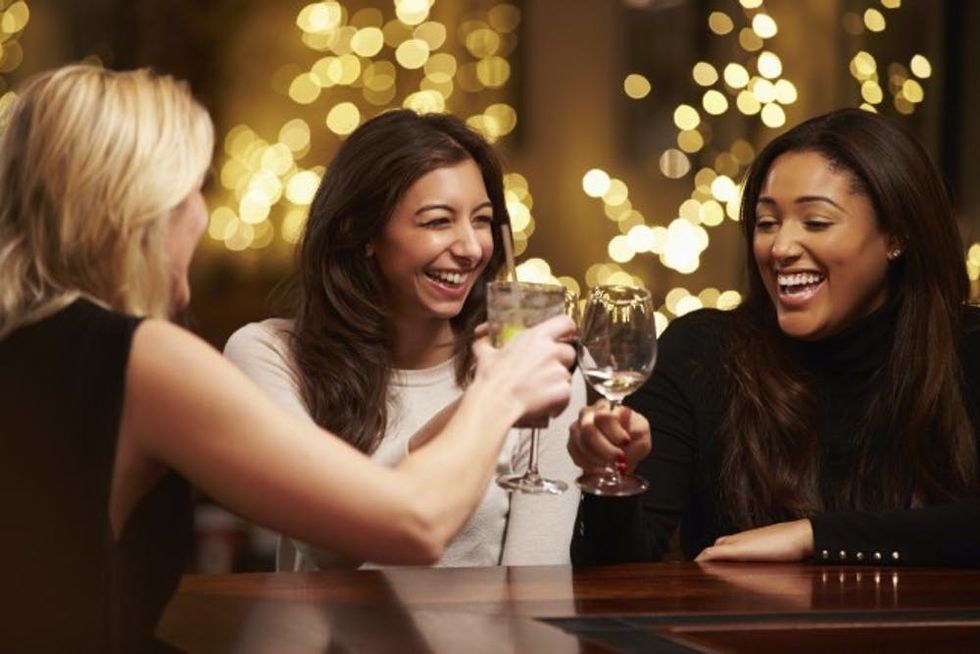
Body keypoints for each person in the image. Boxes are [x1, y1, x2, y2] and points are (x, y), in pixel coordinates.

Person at [0, 65, 576, 651]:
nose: (201, 215)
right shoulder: (141, 357)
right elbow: (412, 524)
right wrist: (501, 388)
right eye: (192, 190)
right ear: (134, 209)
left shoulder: (27, 343)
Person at [568, 108, 980, 568]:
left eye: (816, 222)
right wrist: (609, 477)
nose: (780, 248)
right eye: (766, 223)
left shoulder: (967, 348)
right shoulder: (702, 352)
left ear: (897, 234)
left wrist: (814, 537)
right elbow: (612, 579)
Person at [224, 109, 586, 570]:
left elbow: (536, 582)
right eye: (438, 222)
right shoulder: (270, 354)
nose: (471, 248)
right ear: (359, 231)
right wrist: (483, 408)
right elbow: (327, 542)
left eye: (481, 220)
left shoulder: (534, 367)